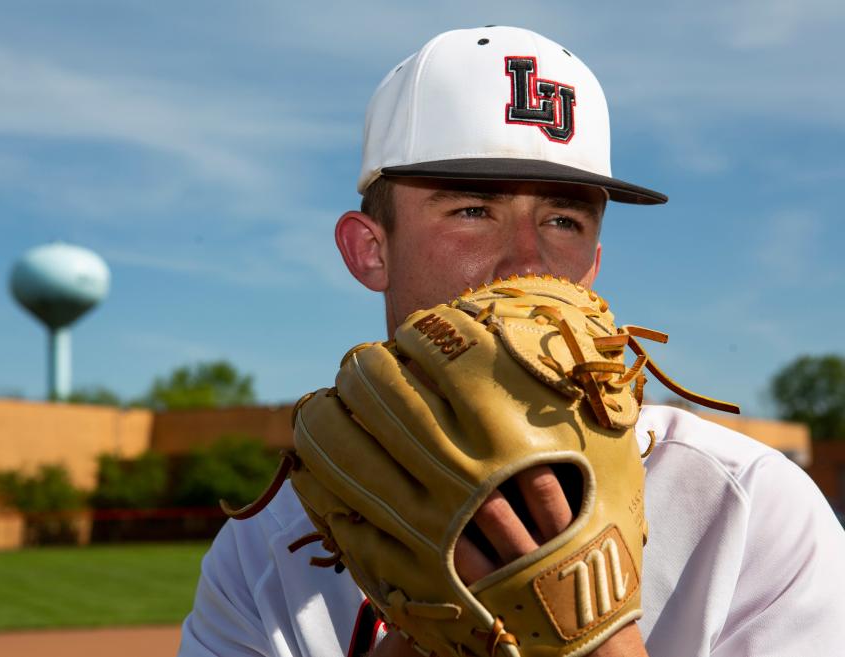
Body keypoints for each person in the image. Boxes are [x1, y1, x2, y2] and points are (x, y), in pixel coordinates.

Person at [178, 26, 845, 657]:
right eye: (473, 210)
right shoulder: (267, 550)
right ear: (369, 250)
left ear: (595, 265)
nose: (528, 263)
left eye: (563, 219)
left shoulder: (748, 507)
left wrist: (595, 633)